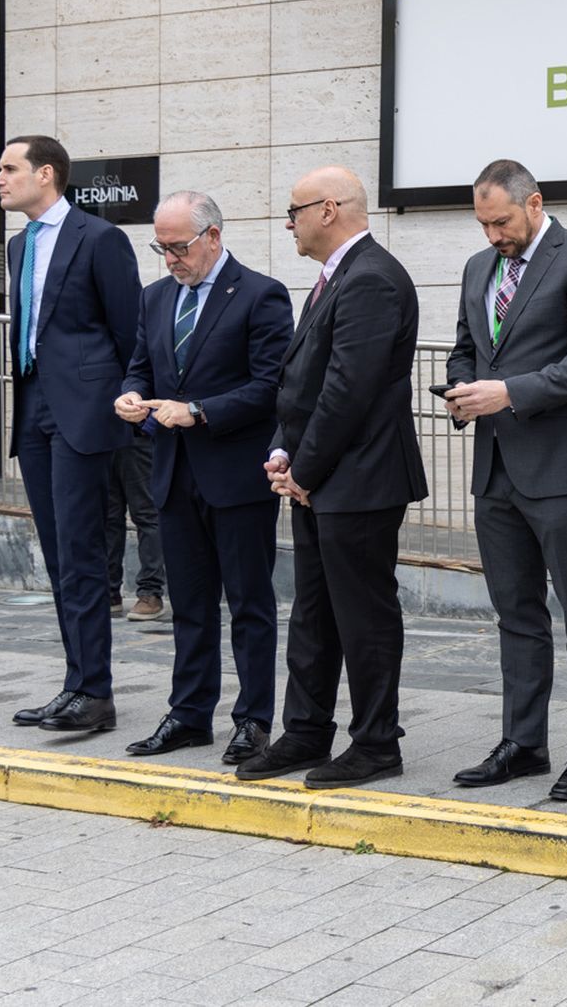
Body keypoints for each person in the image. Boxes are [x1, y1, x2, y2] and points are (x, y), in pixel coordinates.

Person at [235, 167, 425, 790]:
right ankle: (307, 731)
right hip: (324, 475)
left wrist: (305, 469)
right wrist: (287, 453)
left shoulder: (371, 278)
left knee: (363, 615)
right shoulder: (337, 276)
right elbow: (308, 384)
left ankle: (376, 743)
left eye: (293, 211)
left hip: (361, 478)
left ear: (328, 209)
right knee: (314, 612)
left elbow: (350, 390)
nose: (287, 223)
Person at [445, 159, 567, 802]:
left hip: (562, 469)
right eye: (483, 223)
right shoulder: (476, 268)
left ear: (534, 203)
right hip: (495, 469)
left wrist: (508, 394)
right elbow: (467, 345)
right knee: (515, 613)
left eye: (500, 221)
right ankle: (523, 744)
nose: (492, 234)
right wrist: (463, 386)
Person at [115, 191, 293, 766]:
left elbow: (271, 387)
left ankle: (253, 721)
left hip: (236, 476)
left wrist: (199, 411)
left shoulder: (261, 294)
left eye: (178, 246)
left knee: (249, 604)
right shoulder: (154, 298)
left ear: (213, 236)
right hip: (172, 472)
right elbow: (142, 364)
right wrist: (131, 395)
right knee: (190, 605)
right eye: (160, 247)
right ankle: (190, 715)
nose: (168, 258)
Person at [0, 135, 141, 733]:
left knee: (82, 552)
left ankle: (96, 693)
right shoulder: (18, 245)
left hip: (82, 411)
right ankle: (77, 682)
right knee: (59, 554)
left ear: (46, 174)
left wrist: (129, 403)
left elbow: (129, 329)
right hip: (31, 406)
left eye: (9, 169)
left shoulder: (100, 238)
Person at [103, 427, 167, 620]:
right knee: (108, 518)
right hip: (102, 438)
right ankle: (109, 592)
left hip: (137, 434)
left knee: (146, 515)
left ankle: (151, 593)